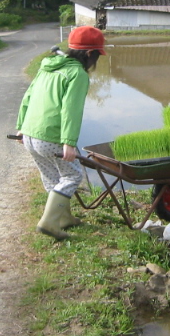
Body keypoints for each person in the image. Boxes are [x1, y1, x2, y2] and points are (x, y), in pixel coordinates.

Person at [16, 26, 106, 241]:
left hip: (30, 134)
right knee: (73, 175)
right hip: (50, 136)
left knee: (53, 177)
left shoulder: (47, 66)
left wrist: (21, 127)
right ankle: (49, 223)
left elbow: (29, 96)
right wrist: (68, 143)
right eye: (96, 55)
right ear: (88, 54)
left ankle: (63, 218)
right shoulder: (77, 74)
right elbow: (71, 111)